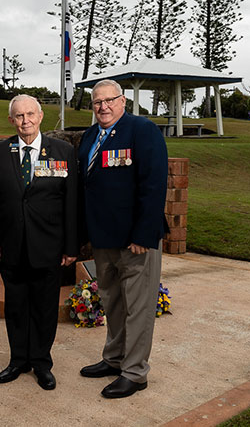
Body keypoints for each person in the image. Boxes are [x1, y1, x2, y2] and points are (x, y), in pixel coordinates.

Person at [77, 79, 169, 399]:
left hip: (136, 240)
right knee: (112, 302)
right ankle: (114, 359)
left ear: (123, 101)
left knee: (139, 307)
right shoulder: (90, 136)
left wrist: (144, 234)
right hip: (104, 238)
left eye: (109, 100)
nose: (103, 106)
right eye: (97, 102)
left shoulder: (142, 131)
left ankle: (135, 372)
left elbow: (154, 184)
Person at [0, 94, 78, 391]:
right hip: (10, 248)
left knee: (45, 309)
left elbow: (72, 202)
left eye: (30, 115)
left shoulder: (62, 151)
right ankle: (18, 360)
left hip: (48, 248)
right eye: (19, 116)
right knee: (16, 308)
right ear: (12, 120)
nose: (25, 121)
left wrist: (71, 247)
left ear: (40, 117)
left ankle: (41, 362)